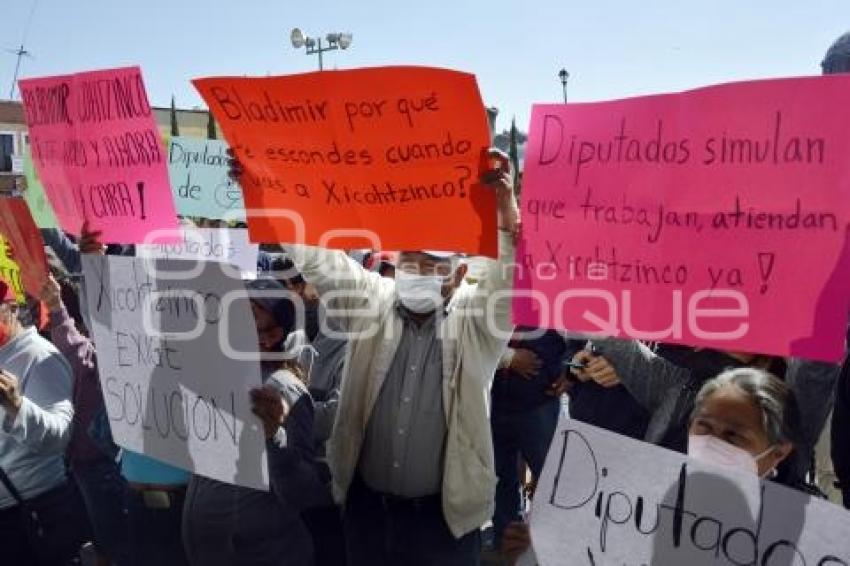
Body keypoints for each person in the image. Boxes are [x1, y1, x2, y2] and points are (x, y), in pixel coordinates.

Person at [230, 147, 518, 565]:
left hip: (445, 525)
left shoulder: (477, 322)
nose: (414, 271)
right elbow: (318, 259)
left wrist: (506, 214)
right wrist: (263, 192)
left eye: (429, 264)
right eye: (408, 260)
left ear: (457, 275)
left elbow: (508, 283)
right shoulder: (371, 301)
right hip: (368, 515)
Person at [182, 277, 326, 566]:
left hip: (262, 554)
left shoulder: (283, 389)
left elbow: (303, 492)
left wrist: (274, 439)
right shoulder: (217, 376)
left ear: (271, 336)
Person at [40, 274, 130, 566]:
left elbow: (72, 346)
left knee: (113, 543)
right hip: (87, 465)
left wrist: (55, 306)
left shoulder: (92, 357)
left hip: (99, 465)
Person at [0, 278, 86, 565]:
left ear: (10, 308)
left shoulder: (40, 356)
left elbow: (60, 436)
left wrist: (18, 407)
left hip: (36, 512)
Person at [490, 327, 576, 550]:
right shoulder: (488, 294)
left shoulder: (559, 293)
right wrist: (509, 357)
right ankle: (507, 544)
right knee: (499, 479)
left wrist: (569, 371)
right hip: (493, 401)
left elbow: (581, 334)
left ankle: (557, 548)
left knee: (554, 481)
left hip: (540, 404)